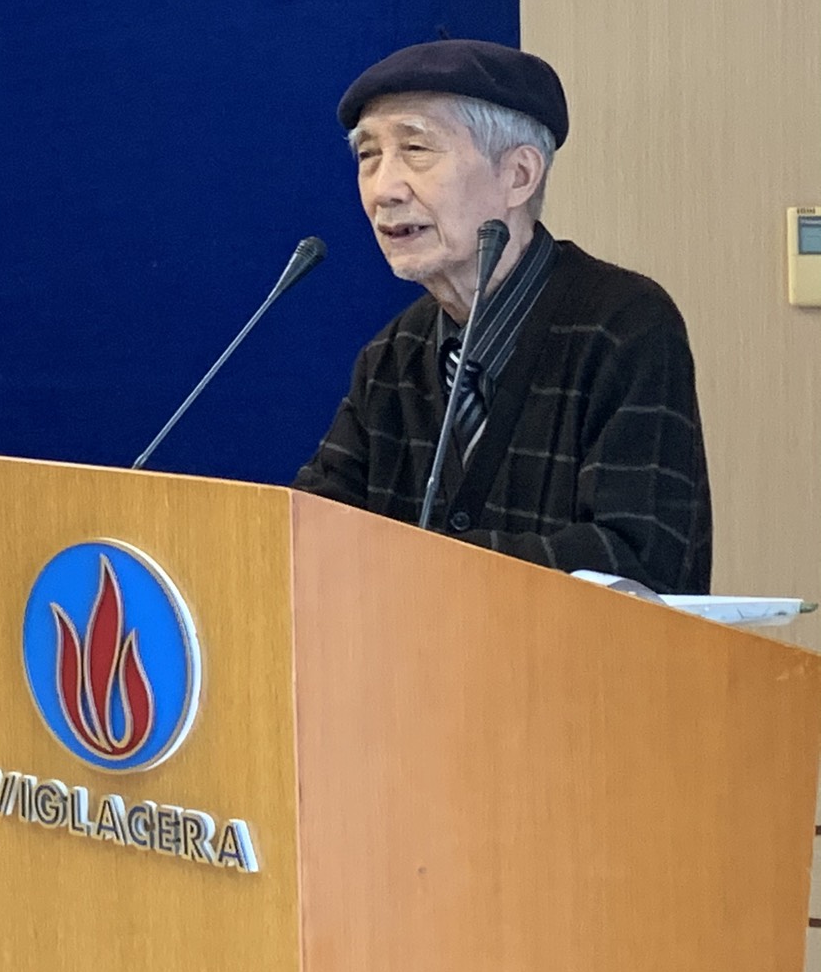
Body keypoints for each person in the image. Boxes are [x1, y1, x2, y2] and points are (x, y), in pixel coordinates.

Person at [294, 38, 713, 592]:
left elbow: (636, 559)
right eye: (369, 156)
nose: (383, 190)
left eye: (415, 148)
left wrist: (419, 564)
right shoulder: (393, 354)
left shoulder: (623, 327)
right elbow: (310, 529)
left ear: (518, 175)